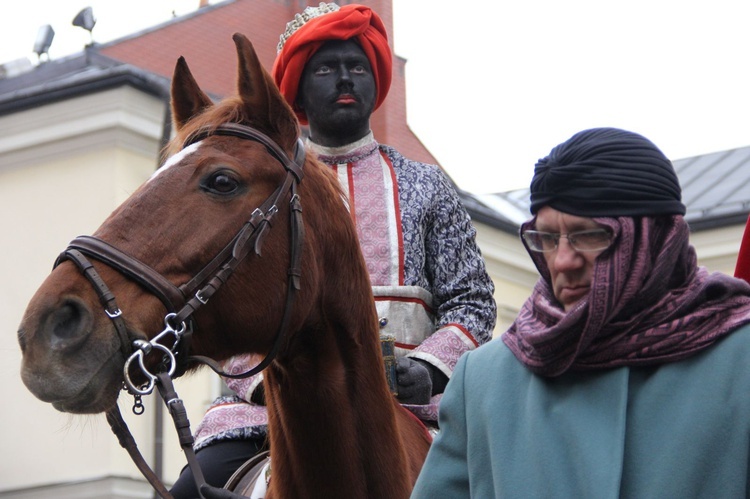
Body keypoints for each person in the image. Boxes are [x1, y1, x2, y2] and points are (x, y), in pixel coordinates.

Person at [170, 3, 497, 496]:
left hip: (413, 407)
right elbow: (225, 301)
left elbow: (473, 301)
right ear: (298, 87)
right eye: (326, 68)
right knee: (193, 489)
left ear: (375, 81)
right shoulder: (261, 186)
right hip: (267, 412)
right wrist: (263, 383)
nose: (345, 79)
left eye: (358, 67)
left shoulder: (428, 186)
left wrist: (429, 370)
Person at [411, 127, 750, 498]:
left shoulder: (739, 360)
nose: (563, 260)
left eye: (588, 235)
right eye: (547, 239)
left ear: (657, 238)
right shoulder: (484, 379)